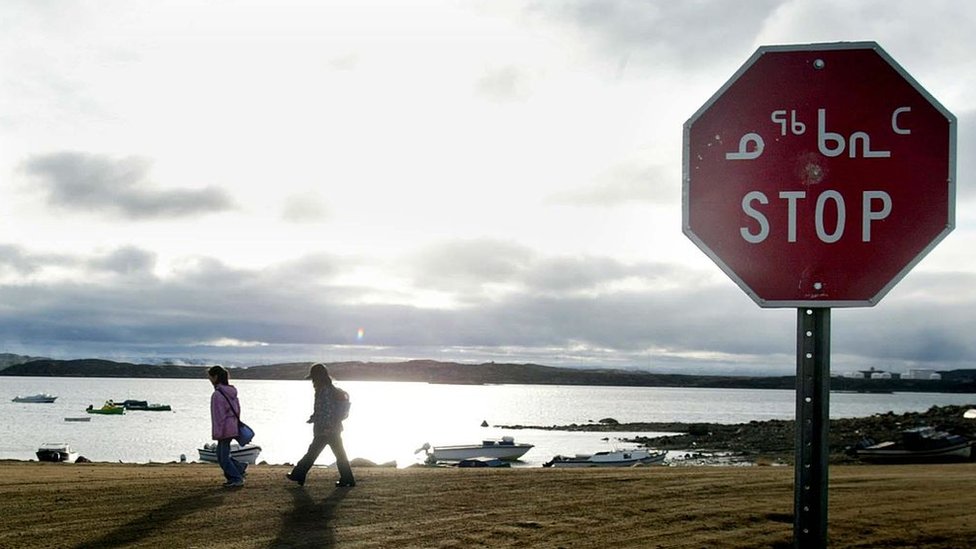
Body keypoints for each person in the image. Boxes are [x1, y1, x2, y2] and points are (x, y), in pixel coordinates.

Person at [287, 363, 355, 487]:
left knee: (313, 452)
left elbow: (326, 410)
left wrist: (325, 426)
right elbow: (324, 410)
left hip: (326, 429)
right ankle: (348, 478)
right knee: (336, 454)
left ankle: (298, 474)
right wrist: (314, 418)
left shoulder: (324, 390)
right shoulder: (329, 389)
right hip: (332, 427)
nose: (312, 380)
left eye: (313, 377)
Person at [208, 364, 247, 488]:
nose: (209, 380)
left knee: (222, 457)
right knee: (222, 455)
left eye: (210, 377)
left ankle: (236, 478)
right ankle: (239, 468)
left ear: (215, 377)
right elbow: (237, 410)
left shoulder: (217, 395)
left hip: (224, 429)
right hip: (232, 427)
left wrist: (217, 433)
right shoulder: (231, 392)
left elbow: (218, 416)